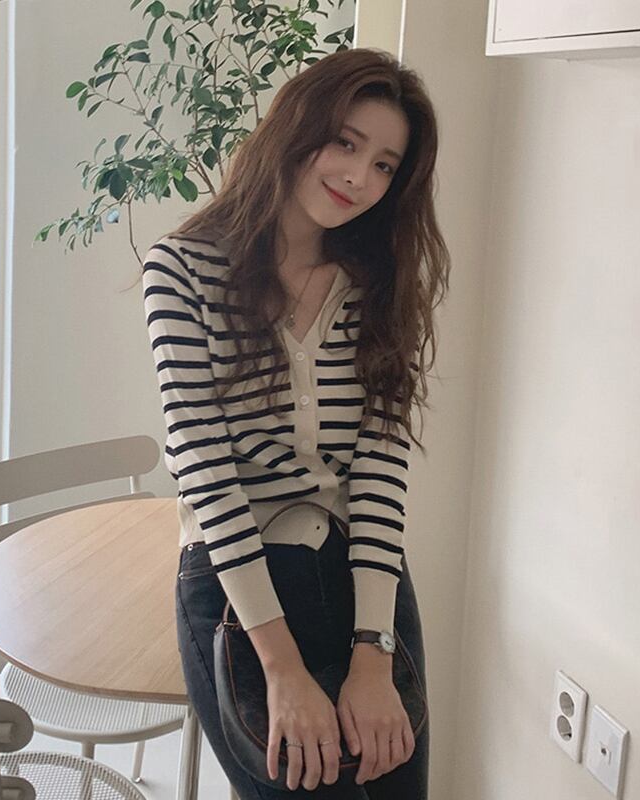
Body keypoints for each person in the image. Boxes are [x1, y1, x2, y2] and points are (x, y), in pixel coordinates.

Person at [142, 47, 450, 798]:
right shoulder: (181, 270)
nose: (359, 177)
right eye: (346, 142)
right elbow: (206, 469)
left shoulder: (379, 284)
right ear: (296, 129)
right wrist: (280, 667)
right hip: (237, 582)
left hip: (360, 570)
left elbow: (379, 471)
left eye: (385, 165)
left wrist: (373, 653)